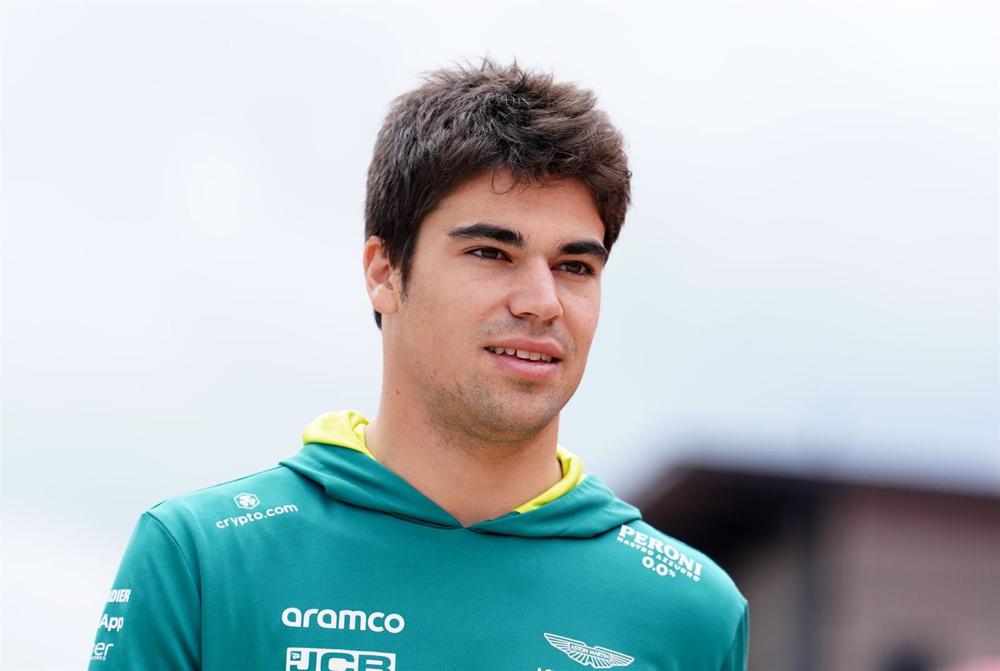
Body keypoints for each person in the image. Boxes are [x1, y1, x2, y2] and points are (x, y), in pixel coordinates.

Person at [88, 58, 748, 671]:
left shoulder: (692, 611)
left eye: (575, 266)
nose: (542, 302)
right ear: (384, 272)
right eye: (492, 252)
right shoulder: (202, 558)